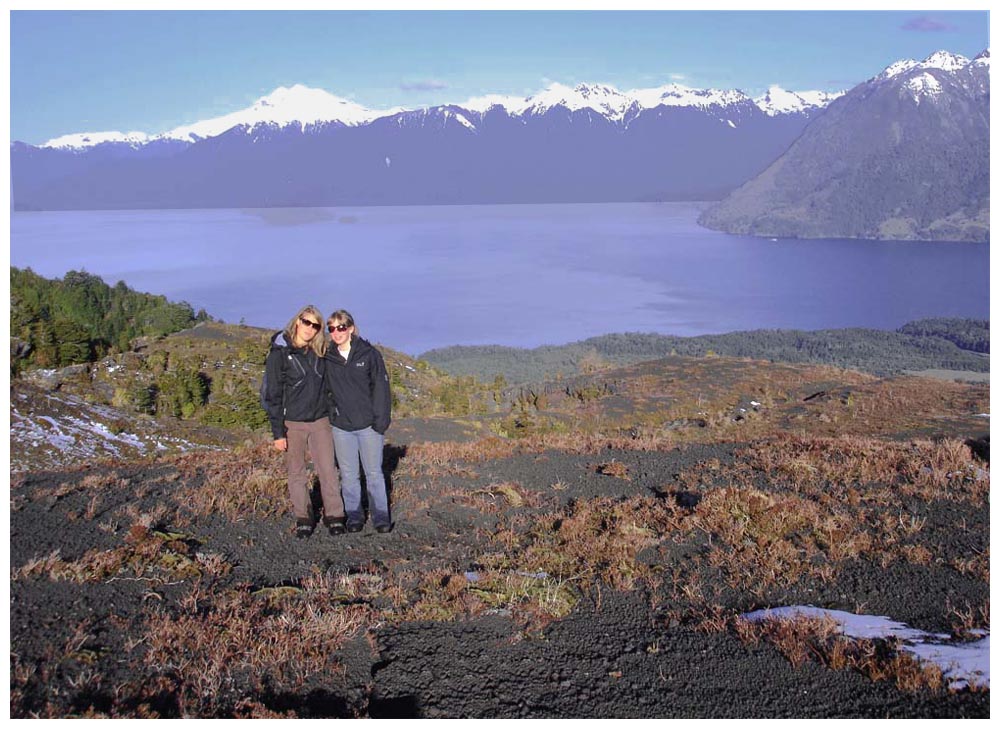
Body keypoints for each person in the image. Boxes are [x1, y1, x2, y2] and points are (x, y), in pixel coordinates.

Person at [262, 305, 346, 539]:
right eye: (306, 322)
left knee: (327, 469)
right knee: (296, 472)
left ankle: (335, 515)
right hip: (292, 423)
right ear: (297, 321)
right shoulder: (280, 354)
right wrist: (278, 433)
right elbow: (273, 395)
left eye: (316, 325)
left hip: (320, 421)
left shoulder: (320, 352)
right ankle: (304, 518)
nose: (310, 328)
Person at [323, 309, 393, 533]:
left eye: (341, 327)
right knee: (349, 475)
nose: (337, 332)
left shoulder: (369, 354)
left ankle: (381, 517)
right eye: (332, 328)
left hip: (369, 426)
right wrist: (332, 415)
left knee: (373, 474)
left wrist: (380, 422)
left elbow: (381, 389)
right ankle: (354, 516)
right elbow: (323, 390)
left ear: (351, 328)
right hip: (342, 427)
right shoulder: (327, 356)